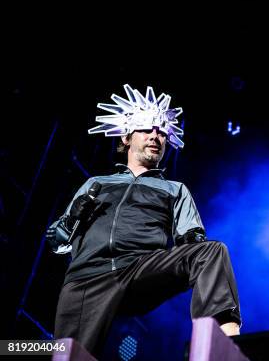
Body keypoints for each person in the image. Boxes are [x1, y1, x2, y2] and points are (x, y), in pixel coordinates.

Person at [46, 84, 241, 357]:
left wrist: (191, 247)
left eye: (162, 132)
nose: (156, 136)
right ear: (126, 137)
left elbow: (192, 243)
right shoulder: (96, 184)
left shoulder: (175, 189)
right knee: (68, 354)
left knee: (211, 252)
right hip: (86, 280)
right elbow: (58, 245)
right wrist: (72, 219)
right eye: (148, 129)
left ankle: (227, 343)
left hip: (139, 269)